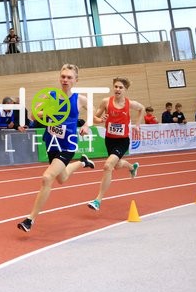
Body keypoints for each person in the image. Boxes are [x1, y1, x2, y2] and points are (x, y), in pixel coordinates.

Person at [17, 64, 95, 233]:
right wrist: (31, 121)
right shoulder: (51, 95)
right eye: (63, 76)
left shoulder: (79, 99)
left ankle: (30, 219)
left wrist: (87, 125)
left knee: (47, 178)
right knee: (62, 177)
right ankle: (82, 162)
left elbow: (92, 111)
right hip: (51, 142)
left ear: (76, 80)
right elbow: (34, 114)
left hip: (67, 145)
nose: (65, 80)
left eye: (69, 77)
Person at [86, 77, 145, 212]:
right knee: (117, 165)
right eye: (116, 87)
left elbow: (142, 109)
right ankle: (132, 167)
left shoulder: (130, 104)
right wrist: (100, 119)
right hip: (109, 140)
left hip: (123, 140)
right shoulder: (106, 102)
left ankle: (98, 200)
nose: (117, 89)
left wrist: (137, 124)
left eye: (120, 87)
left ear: (125, 90)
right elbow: (94, 118)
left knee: (108, 166)